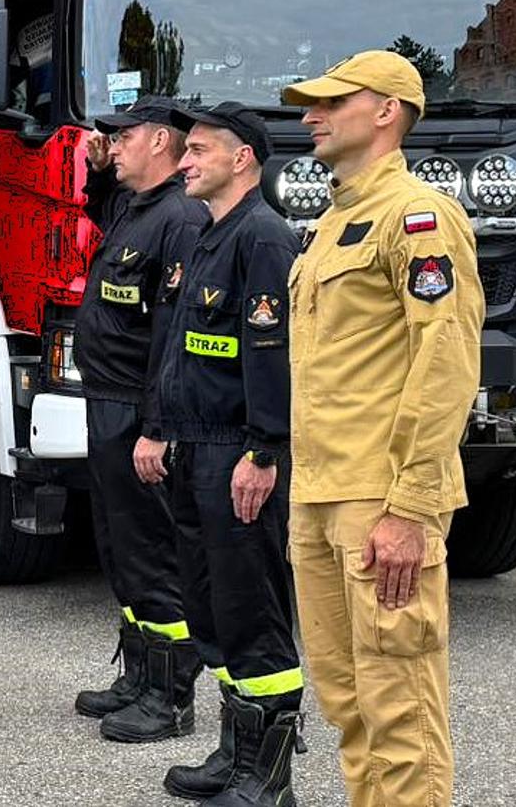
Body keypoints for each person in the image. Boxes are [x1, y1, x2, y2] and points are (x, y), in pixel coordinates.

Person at [280, 50, 482, 807]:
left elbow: (447, 359)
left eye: (333, 101)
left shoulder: (418, 217)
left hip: (381, 500)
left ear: (387, 111)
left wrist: (412, 507)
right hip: (321, 495)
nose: (311, 115)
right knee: (349, 709)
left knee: (400, 710)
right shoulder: (332, 224)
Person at [153, 103, 304, 806]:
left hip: (238, 455)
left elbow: (271, 357)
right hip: (196, 449)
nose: (184, 162)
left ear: (242, 158)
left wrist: (263, 452)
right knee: (214, 612)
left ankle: (269, 778)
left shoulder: (263, 238)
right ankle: (234, 754)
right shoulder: (209, 237)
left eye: (199, 151)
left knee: (254, 611)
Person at [72, 95, 210, 743]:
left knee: (153, 554)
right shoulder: (137, 206)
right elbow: (101, 213)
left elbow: (173, 339)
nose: (112, 144)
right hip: (107, 400)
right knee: (118, 546)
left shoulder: (180, 218)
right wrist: (101, 173)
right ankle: (138, 673)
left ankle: (170, 694)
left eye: (122, 137)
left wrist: (156, 426)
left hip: (137, 409)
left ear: (160, 141)